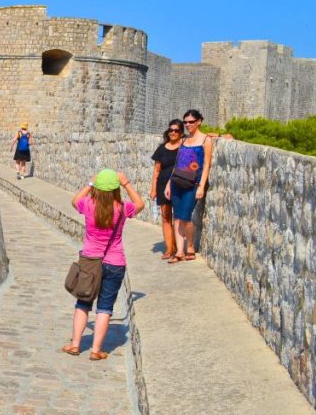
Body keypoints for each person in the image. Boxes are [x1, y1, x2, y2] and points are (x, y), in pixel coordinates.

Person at [62, 169, 144, 360]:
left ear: (97, 189)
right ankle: (96, 350)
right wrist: (126, 183)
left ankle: (75, 345)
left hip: (90, 262)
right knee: (105, 307)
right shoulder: (122, 208)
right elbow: (140, 204)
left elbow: (74, 201)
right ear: (116, 189)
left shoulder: (89, 205)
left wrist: (90, 184)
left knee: (83, 302)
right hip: (115, 262)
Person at [164, 109, 213, 263]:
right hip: (177, 182)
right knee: (177, 217)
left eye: (191, 122)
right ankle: (179, 251)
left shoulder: (206, 141)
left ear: (199, 122)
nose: (188, 124)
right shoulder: (183, 140)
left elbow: (206, 165)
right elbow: (177, 164)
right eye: (185, 122)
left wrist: (201, 186)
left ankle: (190, 246)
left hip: (193, 184)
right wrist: (168, 183)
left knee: (185, 217)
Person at [150, 119, 183, 259]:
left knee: (179, 217)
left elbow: (201, 138)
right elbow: (156, 171)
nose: (173, 133)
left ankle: (178, 247)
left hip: (179, 184)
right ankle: (169, 248)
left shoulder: (184, 145)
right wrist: (153, 189)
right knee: (165, 217)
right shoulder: (162, 149)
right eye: (171, 130)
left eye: (176, 130)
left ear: (181, 132)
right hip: (162, 185)